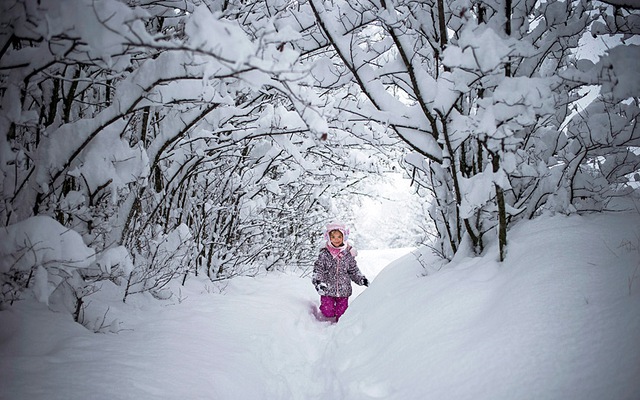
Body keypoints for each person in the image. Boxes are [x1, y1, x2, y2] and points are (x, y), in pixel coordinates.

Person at [312, 221, 368, 322]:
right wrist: (318, 282)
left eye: (339, 236)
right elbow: (318, 269)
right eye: (333, 237)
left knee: (342, 315)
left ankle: (339, 326)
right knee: (327, 312)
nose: (336, 239)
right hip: (327, 289)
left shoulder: (348, 253)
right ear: (328, 238)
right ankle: (326, 317)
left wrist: (361, 279)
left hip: (343, 290)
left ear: (344, 237)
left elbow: (353, 270)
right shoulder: (325, 254)